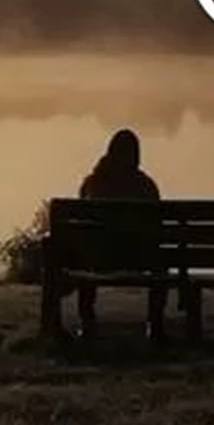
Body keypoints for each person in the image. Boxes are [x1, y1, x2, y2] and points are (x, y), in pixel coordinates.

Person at [72, 128, 167, 339]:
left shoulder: (93, 183)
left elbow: (81, 224)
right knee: (162, 264)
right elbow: (158, 227)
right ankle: (155, 322)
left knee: (87, 256)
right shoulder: (145, 185)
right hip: (140, 259)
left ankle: (87, 321)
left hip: (99, 258)